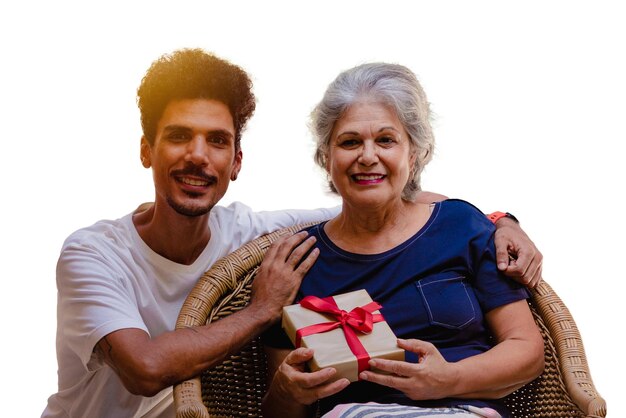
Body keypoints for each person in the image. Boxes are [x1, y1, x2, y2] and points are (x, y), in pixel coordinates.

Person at [42, 49, 541, 418]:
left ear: (236, 162)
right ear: (146, 150)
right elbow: (145, 368)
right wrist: (263, 311)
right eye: (178, 137)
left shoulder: (268, 235)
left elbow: (386, 197)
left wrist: (500, 223)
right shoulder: (93, 253)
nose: (198, 155)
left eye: (217, 141)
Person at [261, 63, 545, 418]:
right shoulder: (297, 260)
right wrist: (288, 392)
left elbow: (527, 350)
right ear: (326, 158)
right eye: (350, 142)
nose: (367, 157)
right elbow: (280, 414)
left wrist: (450, 379)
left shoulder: (460, 226)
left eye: (386, 140)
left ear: (413, 154)